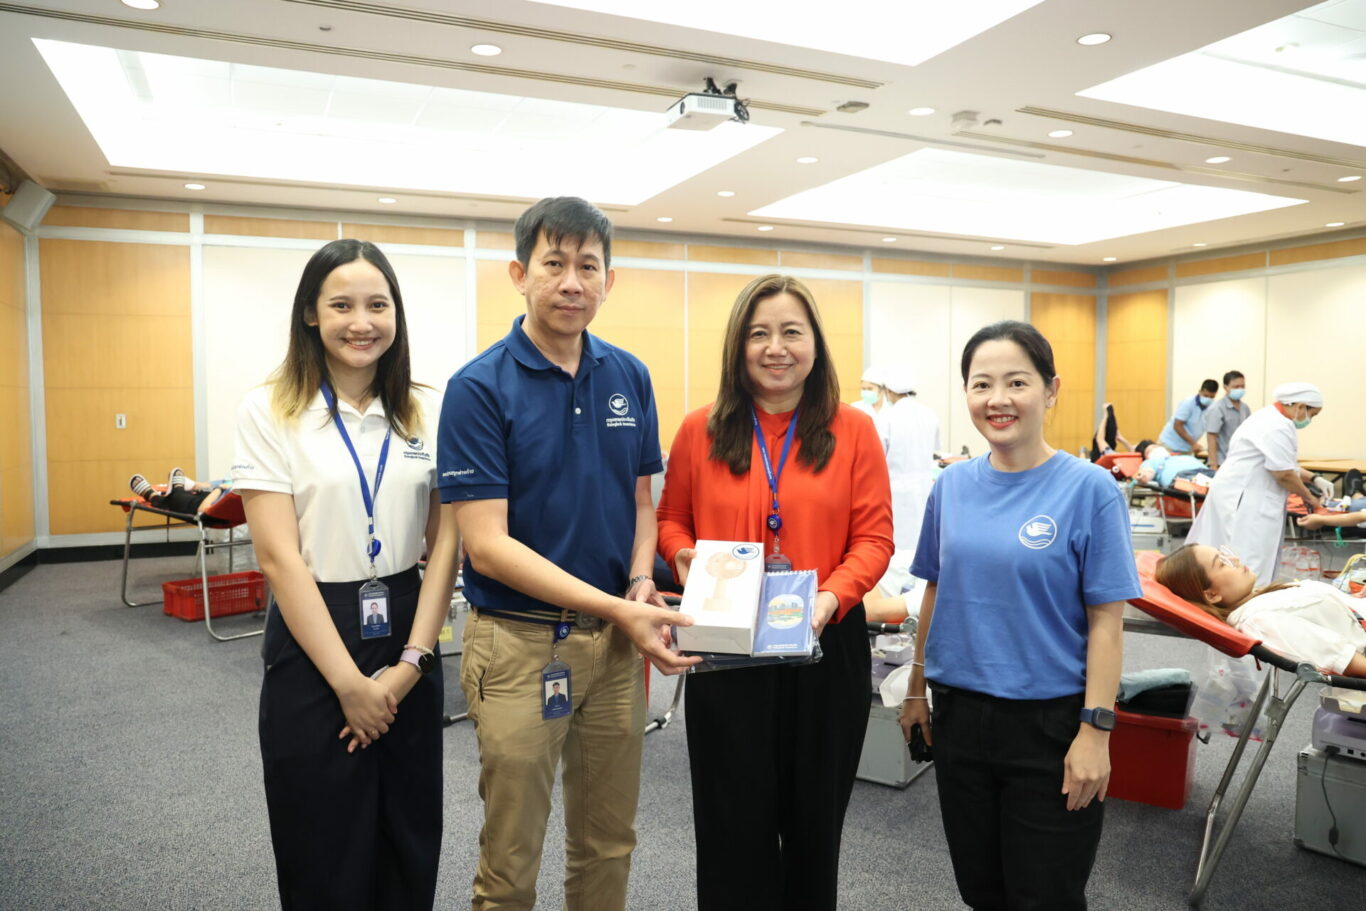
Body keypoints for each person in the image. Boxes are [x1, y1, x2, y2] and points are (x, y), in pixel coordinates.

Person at [429, 196, 698, 911]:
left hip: (615, 647)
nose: (572, 282)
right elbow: (487, 546)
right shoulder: (478, 387)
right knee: (511, 861)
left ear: (610, 279)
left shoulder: (629, 375)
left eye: (588, 266)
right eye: (554, 263)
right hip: (518, 647)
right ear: (520, 274)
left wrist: (639, 579)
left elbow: (641, 502)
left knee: (608, 843)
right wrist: (619, 605)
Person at [656, 273, 893, 911]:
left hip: (825, 643)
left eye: (792, 331)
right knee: (732, 825)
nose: (776, 347)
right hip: (725, 645)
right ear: (738, 345)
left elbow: (874, 539)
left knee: (815, 828)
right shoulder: (700, 429)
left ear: (815, 343)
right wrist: (682, 556)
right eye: (759, 333)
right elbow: (671, 520)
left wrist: (830, 598)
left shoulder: (854, 430)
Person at [898, 320, 1141, 911]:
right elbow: (935, 590)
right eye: (981, 384)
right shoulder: (951, 486)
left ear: (1050, 390)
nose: (997, 399)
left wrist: (1096, 731)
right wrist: (916, 689)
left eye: (1017, 382)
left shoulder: (1090, 490)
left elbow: (1107, 623)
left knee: (1045, 895)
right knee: (981, 889)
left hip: (1050, 725)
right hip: (960, 717)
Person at [232, 238, 445, 909]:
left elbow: (447, 545)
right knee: (322, 844)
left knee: (407, 837)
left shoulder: (428, 408)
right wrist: (351, 685)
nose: (362, 322)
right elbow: (278, 558)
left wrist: (410, 663)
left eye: (378, 305)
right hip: (313, 634)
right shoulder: (270, 408)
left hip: (408, 626)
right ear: (310, 313)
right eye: (342, 305)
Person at [1188, 382, 1332, 586]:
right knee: (1248, 558)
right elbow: (1283, 474)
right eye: (1312, 414)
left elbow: (1286, 464)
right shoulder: (1277, 426)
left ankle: (1235, 595)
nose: (1310, 420)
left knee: (1234, 554)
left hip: (1241, 492)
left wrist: (1315, 478)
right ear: (1300, 406)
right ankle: (1244, 600)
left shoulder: (1269, 417)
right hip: (1246, 498)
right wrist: (1311, 500)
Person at [1156, 543, 1366, 677]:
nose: (1235, 560)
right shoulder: (1260, 621)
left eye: (1226, 555)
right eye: (1222, 563)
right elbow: (1344, 660)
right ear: (1211, 595)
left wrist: (1351, 601)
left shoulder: (1260, 602)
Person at [864, 365, 939, 623]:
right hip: (924, 489)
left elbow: (876, 457)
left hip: (894, 490)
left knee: (894, 560)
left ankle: (895, 609)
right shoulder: (929, 414)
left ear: (888, 391)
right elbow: (935, 451)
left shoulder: (887, 418)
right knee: (918, 552)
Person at [128, 467, 231, 515]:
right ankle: (157, 497)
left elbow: (203, 510)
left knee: (179, 498)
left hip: (205, 505)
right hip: (208, 495)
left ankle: (167, 493)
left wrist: (219, 489)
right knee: (198, 493)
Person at [1203, 370, 1251, 471]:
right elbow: (1211, 437)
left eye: (1242, 386)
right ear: (1226, 387)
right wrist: (1213, 465)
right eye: (1236, 387)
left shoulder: (1245, 408)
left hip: (1240, 461)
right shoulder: (1217, 408)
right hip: (1222, 462)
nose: (1240, 389)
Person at [1158, 378, 1218, 454]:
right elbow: (1177, 425)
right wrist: (1193, 443)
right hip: (1169, 445)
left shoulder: (1212, 407)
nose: (1208, 399)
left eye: (1211, 397)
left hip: (1187, 448)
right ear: (1200, 392)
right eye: (1205, 395)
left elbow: (1212, 429)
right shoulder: (1188, 403)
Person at [1134, 442, 1213, 488]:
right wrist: (1143, 476)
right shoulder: (1150, 462)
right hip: (1183, 478)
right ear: (1146, 457)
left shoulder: (1182, 456)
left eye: (1155, 447)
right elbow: (1147, 474)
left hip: (1207, 472)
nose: (1155, 450)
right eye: (1149, 451)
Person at [851, 365, 891, 443]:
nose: (866, 392)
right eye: (863, 389)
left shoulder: (891, 409)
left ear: (882, 389)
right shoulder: (855, 408)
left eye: (870, 389)